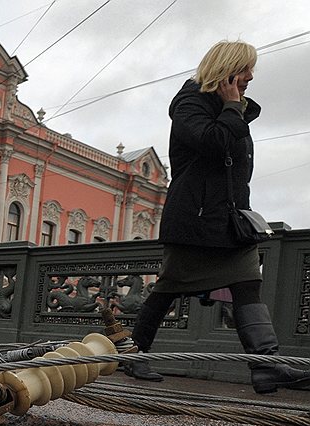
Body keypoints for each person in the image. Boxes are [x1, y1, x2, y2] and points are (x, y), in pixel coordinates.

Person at [126, 40, 310, 394]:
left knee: (247, 284)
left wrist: (233, 109)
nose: (250, 77)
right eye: (244, 70)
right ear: (225, 70)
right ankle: (133, 355)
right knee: (166, 289)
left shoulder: (231, 109)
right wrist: (231, 107)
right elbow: (213, 142)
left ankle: (266, 365)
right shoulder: (189, 105)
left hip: (229, 222)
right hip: (194, 220)